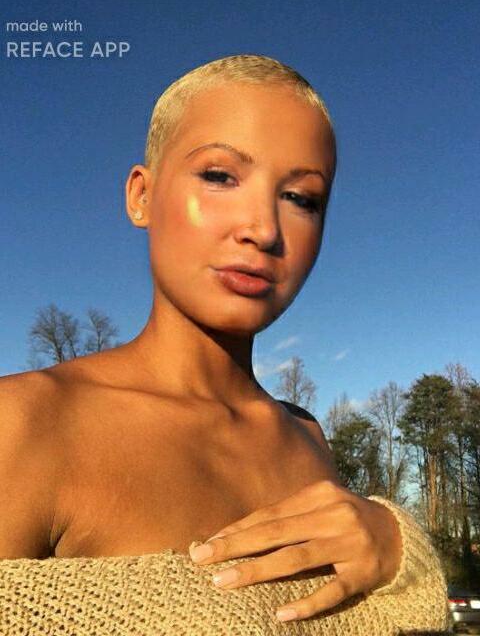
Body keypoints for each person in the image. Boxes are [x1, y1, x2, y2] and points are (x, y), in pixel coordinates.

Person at [0, 53, 450, 635]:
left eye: (301, 198)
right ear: (141, 196)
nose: (262, 229)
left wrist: (398, 552)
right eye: (219, 176)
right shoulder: (26, 423)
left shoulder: (306, 438)